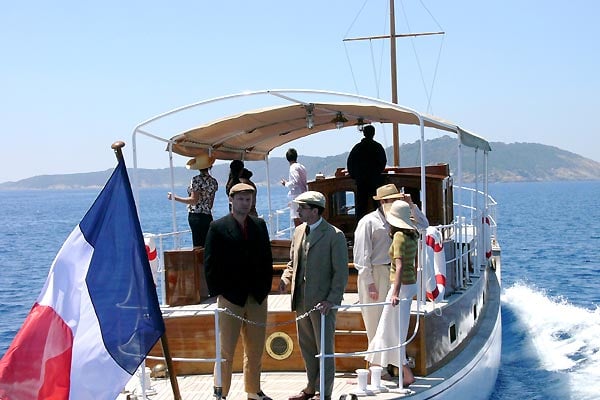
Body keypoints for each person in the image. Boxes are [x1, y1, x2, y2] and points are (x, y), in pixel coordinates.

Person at [204, 183, 274, 400]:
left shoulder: (259, 225)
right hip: (230, 298)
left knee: (255, 349)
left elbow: (267, 260)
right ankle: (221, 393)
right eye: (241, 199)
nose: (245, 203)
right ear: (231, 200)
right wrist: (219, 293)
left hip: (256, 297)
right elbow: (210, 263)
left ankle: (253, 390)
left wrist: (264, 289)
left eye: (249, 199)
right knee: (225, 350)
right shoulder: (217, 227)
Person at [279, 191, 349, 400]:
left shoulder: (334, 235)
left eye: (302, 207)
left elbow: (341, 272)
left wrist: (332, 299)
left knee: (324, 350)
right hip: (301, 301)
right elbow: (293, 263)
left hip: (322, 304)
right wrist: (285, 279)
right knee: (307, 347)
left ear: (315, 210)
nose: (298, 211)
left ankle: (324, 393)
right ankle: (310, 386)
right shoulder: (299, 231)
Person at [365, 200, 419, 388]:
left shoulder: (398, 236)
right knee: (392, 331)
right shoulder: (413, 235)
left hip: (400, 288)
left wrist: (394, 292)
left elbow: (399, 266)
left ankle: (404, 374)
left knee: (387, 331)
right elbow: (411, 264)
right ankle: (376, 372)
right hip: (410, 285)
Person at [353, 184, 405, 351]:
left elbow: (423, 225)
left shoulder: (398, 220)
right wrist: (369, 283)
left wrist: (411, 205)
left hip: (391, 272)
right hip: (375, 273)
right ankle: (376, 367)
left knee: (390, 321)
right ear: (383, 201)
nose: (396, 202)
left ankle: (389, 361)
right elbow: (361, 255)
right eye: (394, 199)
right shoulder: (368, 222)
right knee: (374, 322)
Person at [167, 153, 218, 247]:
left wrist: (174, 198)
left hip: (196, 216)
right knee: (207, 244)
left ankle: (199, 262)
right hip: (207, 216)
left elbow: (194, 200)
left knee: (197, 245)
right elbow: (210, 204)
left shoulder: (196, 180)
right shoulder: (213, 181)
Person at [346, 125, 387, 221]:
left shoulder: (357, 148)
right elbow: (382, 162)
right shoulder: (378, 147)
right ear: (373, 133)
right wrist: (376, 174)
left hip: (361, 182)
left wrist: (355, 176)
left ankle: (361, 226)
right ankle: (380, 224)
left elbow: (350, 164)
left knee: (361, 207)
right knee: (377, 205)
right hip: (375, 181)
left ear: (364, 133)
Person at [280, 148, 308, 227]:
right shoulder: (302, 167)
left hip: (297, 196)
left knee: (297, 219)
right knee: (303, 219)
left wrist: (286, 183)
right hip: (304, 194)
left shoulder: (293, 168)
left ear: (287, 158)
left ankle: (299, 238)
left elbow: (295, 181)